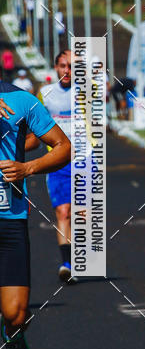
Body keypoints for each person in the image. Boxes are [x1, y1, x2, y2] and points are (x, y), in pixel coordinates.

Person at [0, 76, 70, 349]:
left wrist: (28, 167)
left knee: (15, 313)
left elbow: (63, 147)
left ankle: (14, 338)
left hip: (10, 219)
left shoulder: (23, 101)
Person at [38, 50, 75, 283]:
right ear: (56, 68)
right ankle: (67, 264)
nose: (67, 71)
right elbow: (33, 124)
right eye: (63, 66)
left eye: (72, 66)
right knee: (63, 212)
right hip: (57, 160)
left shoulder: (86, 92)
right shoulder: (44, 94)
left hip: (85, 158)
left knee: (82, 214)